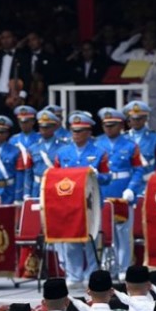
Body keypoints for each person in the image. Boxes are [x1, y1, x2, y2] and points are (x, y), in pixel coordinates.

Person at [53, 112, 111, 288]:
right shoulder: (63, 152)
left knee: (91, 239)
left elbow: (108, 178)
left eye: (80, 131)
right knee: (71, 240)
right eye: (74, 131)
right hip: (69, 203)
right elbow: (55, 176)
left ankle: (91, 273)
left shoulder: (99, 152)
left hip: (91, 203)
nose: (76, 134)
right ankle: (74, 274)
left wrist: (97, 176)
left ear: (88, 132)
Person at [96, 108, 146, 278]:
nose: (109, 128)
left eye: (113, 125)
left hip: (122, 191)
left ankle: (123, 268)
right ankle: (105, 265)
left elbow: (138, 170)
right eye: (106, 125)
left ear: (121, 125)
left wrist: (132, 188)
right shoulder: (97, 144)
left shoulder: (130, 145)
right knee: (102, 231)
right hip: (103, 191)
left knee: (122, 233)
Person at [110, 31, 156, 133]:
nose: (147, 42)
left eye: (150, 39)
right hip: (136, 99)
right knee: (136, 131)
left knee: (155, 131)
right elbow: (115, 56)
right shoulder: (135, 54)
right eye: (145, 39)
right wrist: (129, 42)